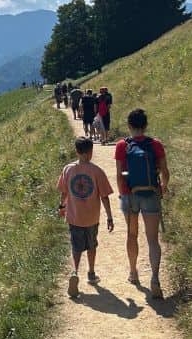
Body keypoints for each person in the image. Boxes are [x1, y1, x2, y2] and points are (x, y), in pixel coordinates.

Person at [114, 108, 170, 299]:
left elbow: (119, 175)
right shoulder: (155, 144)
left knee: (132, 234)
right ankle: (155, 278)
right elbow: (164, 172)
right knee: (153, 239)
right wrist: (163, 186)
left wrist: (124, 194)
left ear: (129, 126)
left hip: (130, 195)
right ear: (145, 125)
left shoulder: (122, 145)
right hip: (151, 193)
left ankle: (133, 272)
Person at [58, 136, 115, 298]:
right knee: (91, 245)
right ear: (91, 152)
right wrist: (110, 217)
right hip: (92, 217)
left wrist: (62, 207)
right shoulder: (97, 171)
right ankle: (91, 272)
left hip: (74, 216)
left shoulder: (67, 169)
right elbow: (104, 196)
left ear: (76, 152)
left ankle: (75, 272)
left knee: (76, 246)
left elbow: (64, 192)